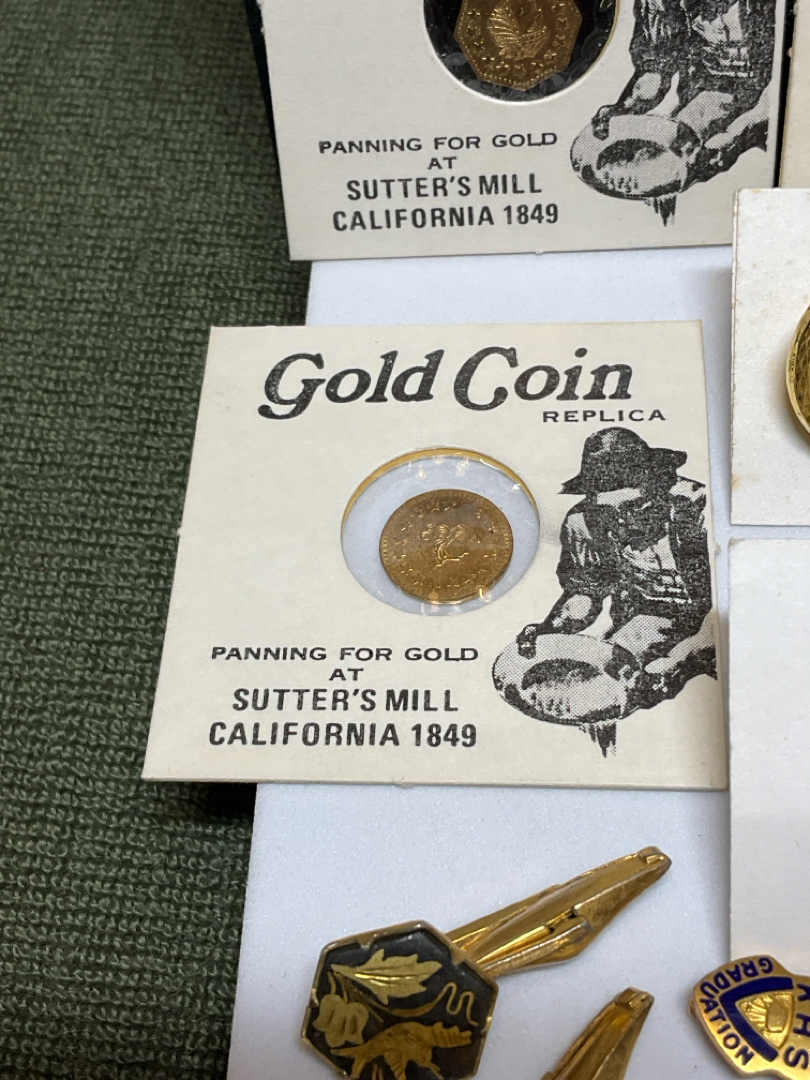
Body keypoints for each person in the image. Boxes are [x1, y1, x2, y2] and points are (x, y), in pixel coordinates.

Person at [516, 428, 716, 712]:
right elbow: (586, 591)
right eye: (609, 512)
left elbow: (740, 597)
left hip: (719, 615)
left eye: (634, 507)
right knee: (611, 676)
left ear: (655, 484)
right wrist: (551, 629)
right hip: (651, 616)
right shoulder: (584, 521)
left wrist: (683, 658)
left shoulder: (701, 508)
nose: (622, 522)